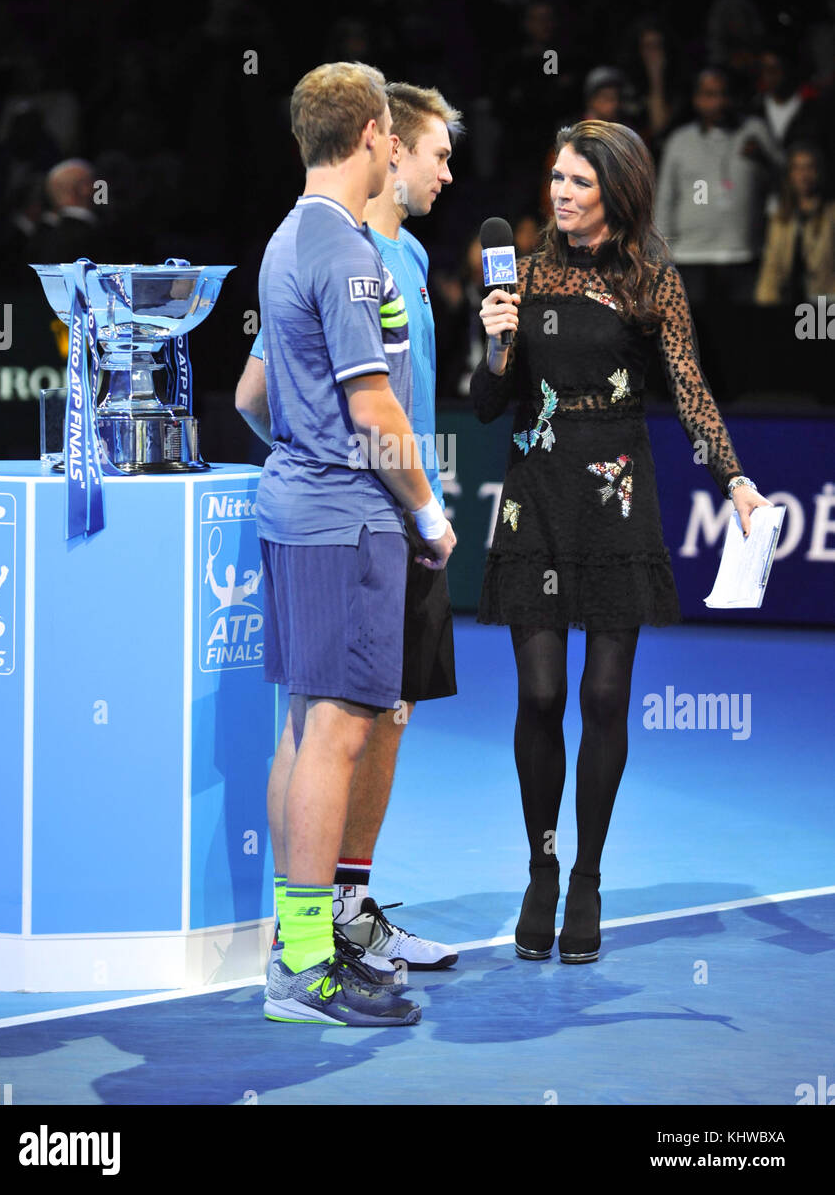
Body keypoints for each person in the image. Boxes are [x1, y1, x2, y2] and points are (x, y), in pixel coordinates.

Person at [471, 119, 772, 966]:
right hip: (535, 494)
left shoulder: (652, 281)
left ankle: (588, 878)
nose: (560, 195)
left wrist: (737, 482)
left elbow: (690, 390)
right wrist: (498, 346)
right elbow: (488, 403)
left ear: (617, 191)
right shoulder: (521, 276)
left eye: (579, 183)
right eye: (556, 179)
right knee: (539, 698)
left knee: (604, 699)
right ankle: (541, 867)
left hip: (614, 498)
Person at [237, 80, 463, 976]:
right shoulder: (348, 251)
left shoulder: (292, 238)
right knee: (343, 727)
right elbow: (374, 411)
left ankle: (307, 944)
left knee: (309, 727)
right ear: (379, 138)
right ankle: (308, 956)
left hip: (307, 506)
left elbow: (257, 396)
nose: (447, 172)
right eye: (437, 154)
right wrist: (429, 512)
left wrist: (303, 445)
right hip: (356, 516)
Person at [654, 67, 778, 307]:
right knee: (697, 336)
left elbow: (785, 182)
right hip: (691, 257)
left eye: (724, 94)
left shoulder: (754, 131)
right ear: (696, 100)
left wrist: (763, 159)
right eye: (710, 95)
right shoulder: (679, 140)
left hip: (743, 254)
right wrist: (662, 257)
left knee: (743, 334)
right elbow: (665, 200)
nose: (718, 102)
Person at [755, 144, 835, 305]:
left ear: (819, 172)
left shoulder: (831, 214)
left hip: (826, 302)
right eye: (797, 168)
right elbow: (771, 266)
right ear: (790, 174)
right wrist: (764, 305)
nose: (803, 175)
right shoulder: (780, 218)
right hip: (787, 302)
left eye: (809, 167)